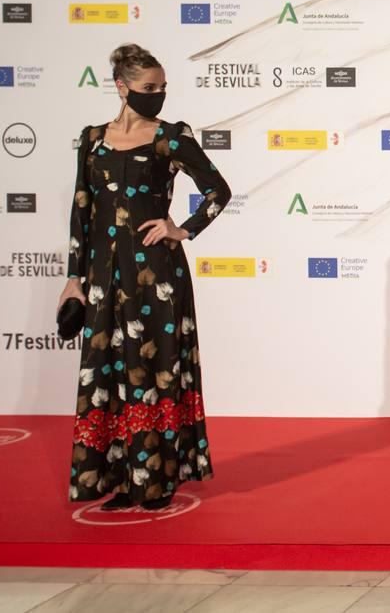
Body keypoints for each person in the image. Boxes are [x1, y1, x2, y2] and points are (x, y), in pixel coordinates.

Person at [56, 43, 231, 508]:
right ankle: (118, 479)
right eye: (149, 88)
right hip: (101, 278)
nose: (158, 94)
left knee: (153, 370)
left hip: (156, 276)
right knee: (107, 372)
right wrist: (74, 278)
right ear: (122, 87)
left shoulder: (170, 137)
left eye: (163, 87)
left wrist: (181, 229)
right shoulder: (92, 138)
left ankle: (154, 480)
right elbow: (81, 211)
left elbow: (218, 190)